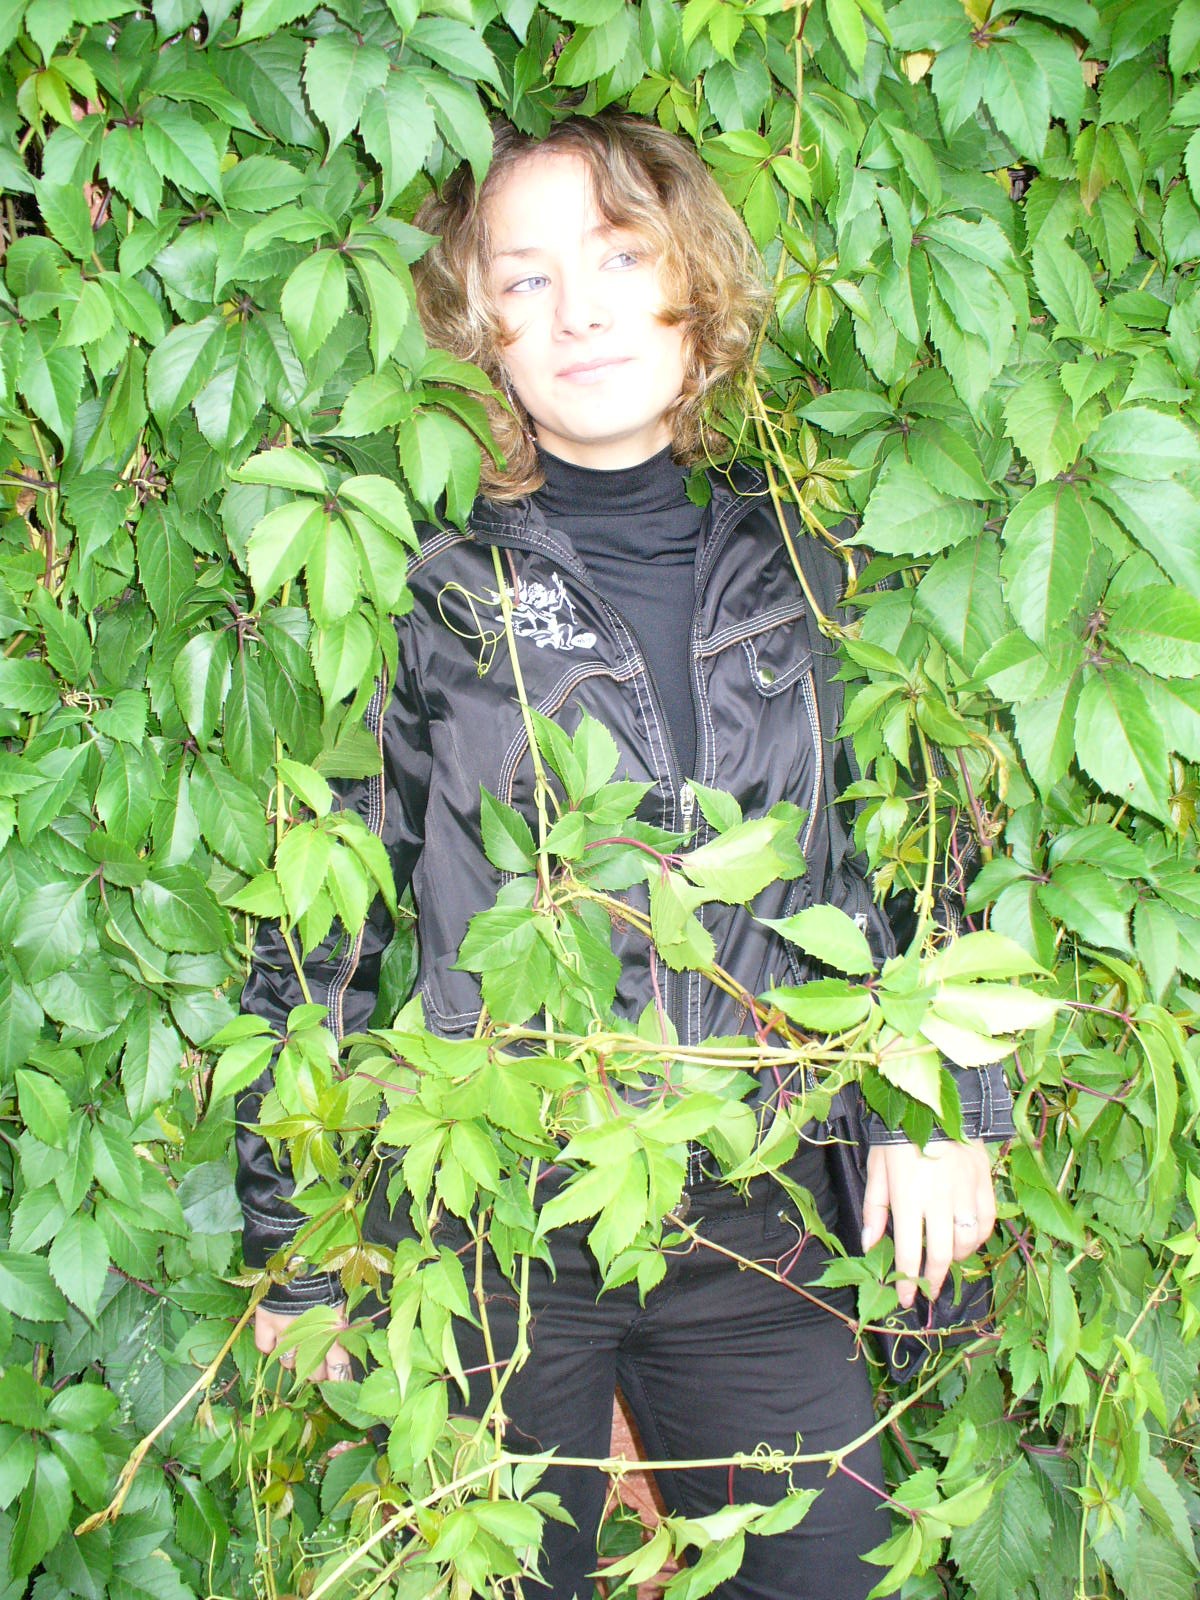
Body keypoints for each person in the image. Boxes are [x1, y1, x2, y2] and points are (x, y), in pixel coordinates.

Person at [236, 112, 1014, 1600]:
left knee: (829, 1573)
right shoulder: (418, 583)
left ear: (693, 288)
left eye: (618, 256)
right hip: (490, 1229)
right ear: (476, 328)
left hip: (759, 1218)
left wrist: (943, 1106)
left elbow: (914, 853)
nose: (578, 311)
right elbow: (317, 932)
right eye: (524, 278)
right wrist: (298, 1238)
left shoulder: (820, 561)